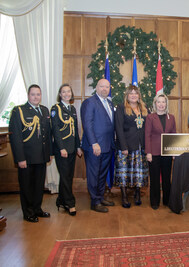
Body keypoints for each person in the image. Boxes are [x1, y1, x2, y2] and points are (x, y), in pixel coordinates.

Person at [9, 84, 51, 223]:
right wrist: (20, 158)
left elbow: (47, 134)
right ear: (28, 95)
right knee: (27, 186)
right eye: (33, 94)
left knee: (39, 185)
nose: (36, 97)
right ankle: (28, 212)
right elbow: (15, 137)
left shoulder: (44, 110)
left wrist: (48, 153)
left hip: (41, 156)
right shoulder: (19, 111)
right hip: (26, 157)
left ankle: (37, 209)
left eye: (38, 94)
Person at [81, 78, 115, 213]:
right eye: (102, 86)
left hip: (107, 145)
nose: (104, 89)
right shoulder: (89, 103)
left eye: (107, 87)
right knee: (94, 174)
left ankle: (100, 197)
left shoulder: (109, 103)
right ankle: (95, 202)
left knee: (102, 174)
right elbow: (87, 125)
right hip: (95, 146)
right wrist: (94, 143)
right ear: (96, 87)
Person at [114, 85, 149, 208]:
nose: (133, 95)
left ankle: (137, 194)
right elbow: (118, 128)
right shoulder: (121, 108)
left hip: (140, 146)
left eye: (136, 93)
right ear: (127, 96)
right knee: (124, 172)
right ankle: (124, 196)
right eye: (131, 93)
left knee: (138, 171)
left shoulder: (144, 109)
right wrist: (123, 147)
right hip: (126, 146)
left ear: (139, 95)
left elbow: (147, 128)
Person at [51, 84, 82, 216]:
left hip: (71, 148)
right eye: (63, 92)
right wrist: (61, 147)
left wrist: (78, 146)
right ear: (60, 94)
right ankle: (70, 203)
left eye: (68, 91)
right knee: (64, 176)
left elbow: (75, 129)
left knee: (68, 176)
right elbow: (56, 131)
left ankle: (61, 200)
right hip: (61, 149)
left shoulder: (72, 108)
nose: (66, 94)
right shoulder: (56, 108)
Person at [145, 93, 176, 209]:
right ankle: (154, 202)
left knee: (167, 178)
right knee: (154, 178)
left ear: (166, 104)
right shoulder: (150, 117)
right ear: (155, 104)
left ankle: (167, 201)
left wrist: (174, 151)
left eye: (163, 102)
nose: (161, 104)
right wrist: (148, 152)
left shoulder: (171, 117)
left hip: (167, 152)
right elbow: (147, 135)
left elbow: (174, 135)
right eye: (159, 102)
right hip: (153, 153)